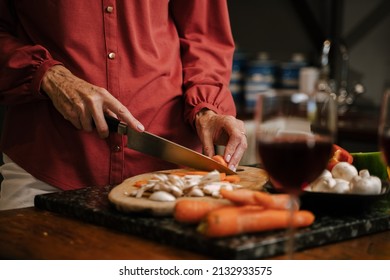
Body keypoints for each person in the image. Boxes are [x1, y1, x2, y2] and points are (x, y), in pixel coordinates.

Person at [0, 0, 247, 210]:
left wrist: (207, 108)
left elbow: (205, 37)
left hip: (172, 179)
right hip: (47, 165)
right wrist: (49, 77)